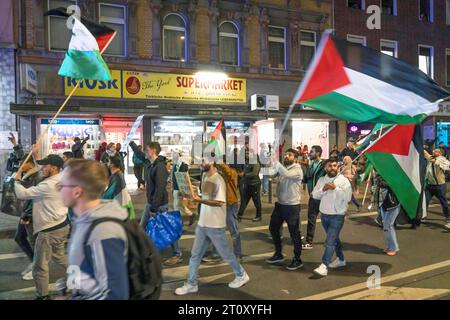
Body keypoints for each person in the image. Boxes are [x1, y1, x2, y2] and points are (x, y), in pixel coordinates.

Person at [174, 156, 249, 295]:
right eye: (201, 161)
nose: (201, 163)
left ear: (212, 162)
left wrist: (199, 200)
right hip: (203, 223)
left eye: (204, 161)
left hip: (215, 225)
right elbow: (207, 197)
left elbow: (219, 202)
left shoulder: (218, 179)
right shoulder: (205, 177)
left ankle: (241, 275)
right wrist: (194, 195)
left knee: (226, 254)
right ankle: (191, 283)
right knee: (195, 255)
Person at [61, 160, 130, 300]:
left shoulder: (103, 231)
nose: (59, 190)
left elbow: (116, 295)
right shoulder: (83, 220)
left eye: (62, 185)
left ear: (77, 191)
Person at [14, 148, 69, 300]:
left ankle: (43, 296)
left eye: (45, 166)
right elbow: (38, 169)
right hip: (61, 224)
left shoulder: (48, 185)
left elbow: (22, 194)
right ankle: (80, 272)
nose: (42, 168)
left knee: (40, 266)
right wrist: (35, 154)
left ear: (54, 167)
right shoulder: (63, 177)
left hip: (48, 230)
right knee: (59, 256)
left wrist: (17, 180)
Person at [129, 141, 182, 266]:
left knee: (167, 228)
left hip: (159, 204)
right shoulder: (150, 163)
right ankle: (141, 251)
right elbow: (140, 154)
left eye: (147, 149)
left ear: (152, 151)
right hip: (151, 202)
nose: (145, 151)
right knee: (142, 226)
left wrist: (154, 207)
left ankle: (177, 254)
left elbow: (160, 188)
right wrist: (131, 144)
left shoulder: (160, 167)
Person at [311, 159, 352, 277]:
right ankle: (341, 259)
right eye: (330, 166)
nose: (333, 167)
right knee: (334, 239)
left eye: (334, 165)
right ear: (325, 168)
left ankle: (324, 265)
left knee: (329, 241)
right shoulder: (321, 180)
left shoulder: (343, 181)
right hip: (324, 215)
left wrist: (335, 188)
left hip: (337, 216)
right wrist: (323, 189)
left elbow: (348, 197)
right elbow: (314, 195)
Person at [266, 148, 304, 271]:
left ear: (296, 158)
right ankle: (278, 254)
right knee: (273, 228)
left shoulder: (297, 169)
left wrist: (276, 162)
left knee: (294, 233)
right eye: (286, 154)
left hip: (292, 206)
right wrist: (270, 166)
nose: (287, 156)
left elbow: (286, 175)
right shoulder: (285, 169)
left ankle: (297, 259)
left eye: (290, 155)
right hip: (280, 205)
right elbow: (275, 177)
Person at [202, 160, 242, 263]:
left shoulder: (232, 172)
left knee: (233, 231)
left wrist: (218, 159)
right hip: (219, 206)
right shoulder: (216, 175)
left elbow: (226, 171)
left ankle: (237, 254)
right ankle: (216, 253)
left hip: (230, 205)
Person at [13, 154, 45, 281]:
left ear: (30, 164)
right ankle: (33, 262)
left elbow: (32, 197)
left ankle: (36, 268)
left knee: (34, 242)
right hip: (25, 212)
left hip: (30, 214)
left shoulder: (37, 177)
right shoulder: (29, 175)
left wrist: (28, 214)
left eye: (23, 164)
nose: (21, 166)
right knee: (19, 237)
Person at [302, 145, 326, 250]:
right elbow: (306, 178)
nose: (309, 153)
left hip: (324, 197)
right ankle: (309, 241)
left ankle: (331, 240)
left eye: (311, 152)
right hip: (313, 197)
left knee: (327, 220)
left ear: (317, 153)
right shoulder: (310, 165)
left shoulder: (324, 165)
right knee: (311, 219)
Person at [375, 176, 401, 256]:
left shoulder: (392, 173)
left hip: (392, 204)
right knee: (386, 227)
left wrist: (379, 180)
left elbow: (390, 184)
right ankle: (390, 246)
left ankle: (394, 248)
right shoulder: (381, 173)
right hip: (384, 204)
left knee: (388, 226)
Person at [424, 149, 450, 223]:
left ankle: (447, 216)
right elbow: (426, 154)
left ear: (440, 153)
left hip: (439, 186)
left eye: (436, 151)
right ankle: (423, 215)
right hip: (430, 186)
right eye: (433, 151)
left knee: (443, 202)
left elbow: (438, 162)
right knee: (425, 201)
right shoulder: (432, 157)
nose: (433, 152)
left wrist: (430, 158)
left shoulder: (443, 159)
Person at [171, 150, 195, 226]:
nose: (173, 156)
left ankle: (177, 223)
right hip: (175, 188)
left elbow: (185, 178)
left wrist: (187, 191)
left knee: (176, 206)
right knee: (179, 205)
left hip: (179, 189)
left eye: (174, 155)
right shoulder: (175, 165)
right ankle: (191, 214)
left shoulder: (184, 165)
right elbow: (173, 176)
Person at [237, 149, 262, 222]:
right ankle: (239, 215)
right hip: (247, 184)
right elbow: (245, 170)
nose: (247, 154)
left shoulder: (255, 162)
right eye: (246, 153)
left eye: (248, 153)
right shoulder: (246, 162)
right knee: (244, 201)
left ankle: (259, 216)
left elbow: (254, 173)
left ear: (252, 154)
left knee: (256, 201)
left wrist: (244, 174)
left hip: (255, 185)